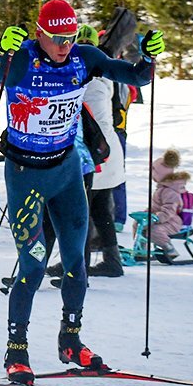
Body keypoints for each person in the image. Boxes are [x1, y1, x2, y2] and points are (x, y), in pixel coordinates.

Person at [0, 0, 165, 386]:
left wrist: (148, 56)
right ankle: (16, 350)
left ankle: (70, 340)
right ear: (40, 33)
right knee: (34, 265)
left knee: (77, 261)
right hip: (25, 175)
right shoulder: (22, 59)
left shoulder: (83, 59)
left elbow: (136, 77)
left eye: (70, 37)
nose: (64, 45)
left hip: (67, 171)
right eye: (56, 38)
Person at [77, 24, 125, 278]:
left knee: (82, 209)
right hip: (108, 146)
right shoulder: (106, 71)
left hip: (94, 149)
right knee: (100, 210)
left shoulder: (88, 75)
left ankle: (77, 264)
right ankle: (111, 260)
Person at [141, 149, 190, 258]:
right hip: (160, 219)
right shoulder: (161, 188)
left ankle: (169, 249)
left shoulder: (170, 191)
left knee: (153, 230)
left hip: (172, 221)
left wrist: (156, 219)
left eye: (153, 172)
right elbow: (155, 207)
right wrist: (145, 214)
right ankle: (141, 249)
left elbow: (169, 211)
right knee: (139, 224)